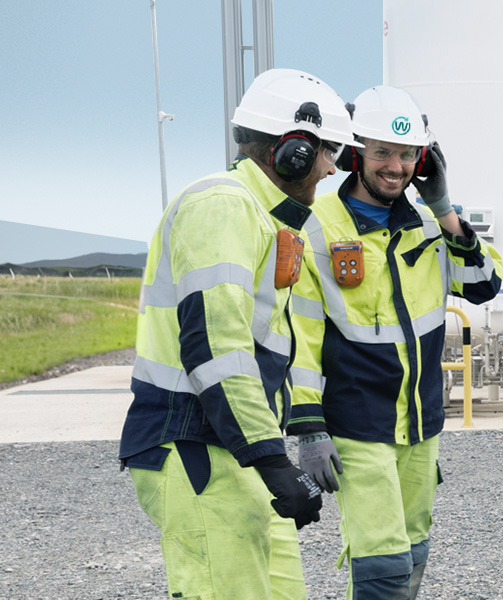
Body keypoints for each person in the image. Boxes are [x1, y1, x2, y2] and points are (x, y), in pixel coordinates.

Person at [119, 68, 358, 598]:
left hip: (237, 447)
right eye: (328, 153)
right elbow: (216, 346)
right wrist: (272, 462)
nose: (329, 170)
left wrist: (281, 442)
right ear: (292, 150)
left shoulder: (268, 218)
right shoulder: (222, 205)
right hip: (195, 444)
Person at [285, 85, 503, 599]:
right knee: (381, 564)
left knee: (412, 553)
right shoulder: (316, 227)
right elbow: (302, 335)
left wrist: (446, 210)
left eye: (408, 155)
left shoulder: (430, 225)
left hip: (420, 423)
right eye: (382, 152)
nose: (395, 167)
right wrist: (308, 425)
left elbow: (482, 284)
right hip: (357, 424)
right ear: (355, 153)